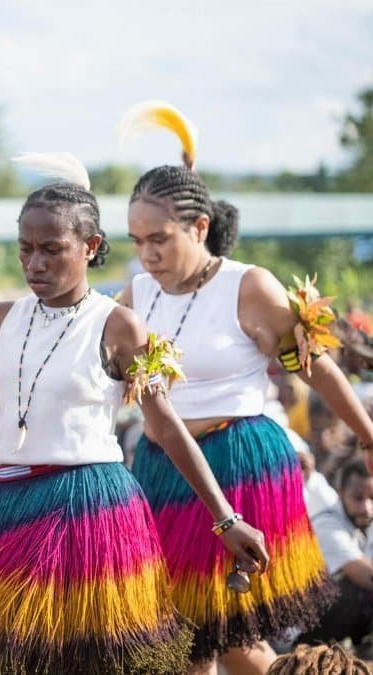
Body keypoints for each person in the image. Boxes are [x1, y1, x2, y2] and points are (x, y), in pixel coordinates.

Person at [0, 153, 269, 674]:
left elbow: (163, 425)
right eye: (26, 249)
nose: (36, 263)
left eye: (53, 249)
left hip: (88, 511)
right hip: (7, 508)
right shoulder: (1, 319)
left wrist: (225, 518)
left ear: (91, 247)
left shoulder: (118, 327)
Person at [116, 101, 372, 673]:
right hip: (163, 469)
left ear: (199, 228)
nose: (147, 253)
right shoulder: (136, 294)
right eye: (136, 240)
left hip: (239, 467)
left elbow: (315, 365)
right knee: (179, 635)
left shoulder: (248, 287)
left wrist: (368, 435)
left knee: (226, 633)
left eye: (159, 238)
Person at [297, 459, 373, 647]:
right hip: (302, 628)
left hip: (333, 617)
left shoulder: (363, 521)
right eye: (358, 498)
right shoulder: (326, 525)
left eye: (372, 498)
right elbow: (365, 575)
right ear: (340, 493)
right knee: (362, 590)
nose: (367, 507)